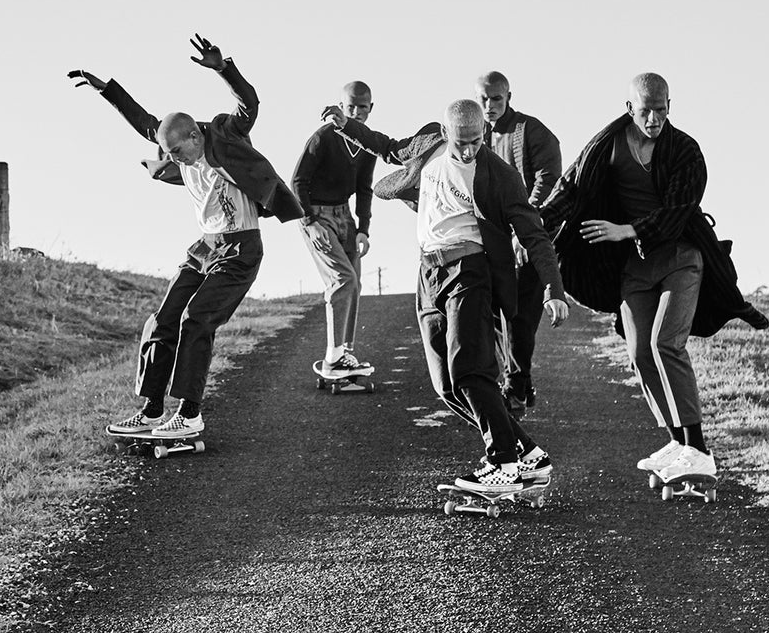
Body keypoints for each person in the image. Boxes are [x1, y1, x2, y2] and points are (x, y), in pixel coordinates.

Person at [68, 35, 304, 444]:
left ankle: (189, 414)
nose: (175, 160)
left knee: (197, 319)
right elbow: (145, 120)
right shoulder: (173, 143)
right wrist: (107, 90)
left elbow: (250, 104)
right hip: (205, 247)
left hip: (240, 248)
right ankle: (151, 410)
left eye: (179, 151)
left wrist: (223, 68)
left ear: (195, 136)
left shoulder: (227, 135)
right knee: (163, 318)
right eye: (169, 153)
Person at [539, 73, 768, 490]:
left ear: (669, 105)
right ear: (630, 109)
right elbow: (570, 189)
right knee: (640, 352)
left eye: (662, 109)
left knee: (666, 342)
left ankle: (698, 450)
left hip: (681, 258)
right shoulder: (604, 146)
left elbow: (681, 208)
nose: (655, 118)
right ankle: (677, 443)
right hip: (634, 268)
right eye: (646, 110)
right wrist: (536, 229)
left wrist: (626, 230)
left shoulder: (685, 150)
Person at [338, 100, 569, 494]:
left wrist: (553, 289)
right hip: (428, 271)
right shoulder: (429, 144)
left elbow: (534, 233)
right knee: (447, 385)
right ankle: (528, 455)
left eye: (476, 142)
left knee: (470, 368)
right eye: (461, 143)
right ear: (446, 134)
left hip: (470, 271)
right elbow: (388, 147)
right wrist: (347, 126)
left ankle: (503, 462)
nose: (468, 151)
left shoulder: (500, 174)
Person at [476, 71, 564, 416]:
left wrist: (526, 223)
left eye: (496, 98)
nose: (489, 105)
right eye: (483, 99)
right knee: (494, 316)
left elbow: (548, 175)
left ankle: (516, 386)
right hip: (492, 241)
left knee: (520, 317)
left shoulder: (530, 130)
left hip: (527, 237)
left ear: (508, 96)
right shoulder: (476, 134)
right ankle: (518, 383)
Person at [290, 81, 380, 379]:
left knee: (355, 282)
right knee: (342, 279)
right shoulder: (323, 138)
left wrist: (363, 229)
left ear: (371, 108)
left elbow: (365, 189)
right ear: (340, 107)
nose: (356, 112)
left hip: (345, 216)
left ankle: (346, 352)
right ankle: (333, 358)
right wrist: (309, 222)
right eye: (350, 106)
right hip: (317, 215)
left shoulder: (367, 144)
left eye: (362, 107)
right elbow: (298, 181)